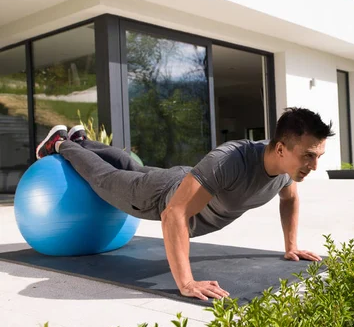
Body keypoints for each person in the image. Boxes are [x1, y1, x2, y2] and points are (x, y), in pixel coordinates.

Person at [34, 107, 334, 301]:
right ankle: (59, 144)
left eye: (318, 156)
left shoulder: (285, 170)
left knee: (129, 164)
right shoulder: (231, 161)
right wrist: (187, 282)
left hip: (185, 180)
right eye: (309, 155)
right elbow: (173, 213)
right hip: (159, 195)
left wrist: (291, 246)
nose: (314, 165)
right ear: (280, 148)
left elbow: (289, 197)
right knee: (105, 178)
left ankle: (82, 140)